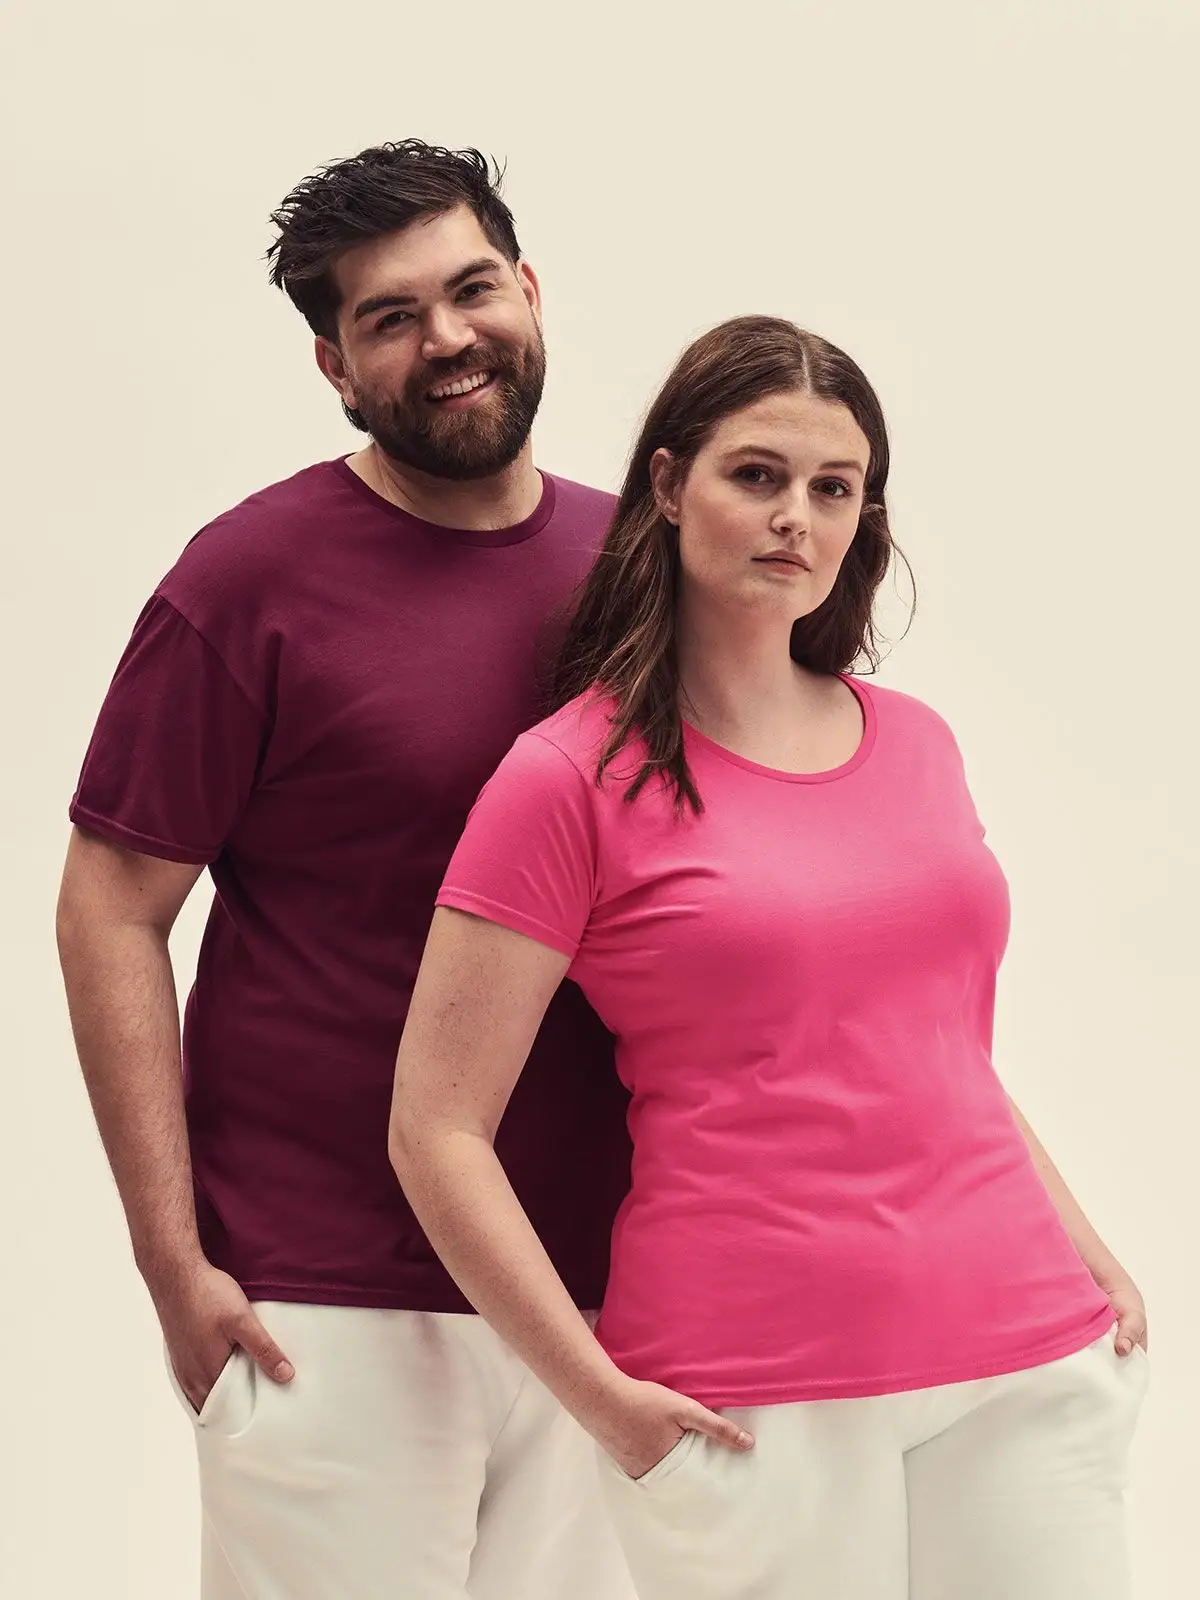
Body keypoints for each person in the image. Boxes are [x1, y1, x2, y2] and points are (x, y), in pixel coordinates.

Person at [388, 314, 1151, 1600]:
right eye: (758, 474)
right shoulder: (568, 777)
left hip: (1028, 1356)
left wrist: (1090, 1254)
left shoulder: (917, 741)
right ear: (669, 483)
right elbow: (435, 1127)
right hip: (751, 1395)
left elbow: (940, 1049)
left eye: (834, 487)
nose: (797, 515)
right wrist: (599, 1397)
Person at [55, 141, 637, 1600]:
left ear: (531, 291)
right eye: (391, 317)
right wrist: (172, 1262)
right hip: (329, 1295)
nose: (447, 338)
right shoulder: (247, 583)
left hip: (604, 1291)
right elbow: (111, 908)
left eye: (471, 289)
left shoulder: (640, 566)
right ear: (334, 364)